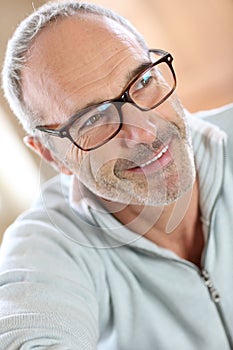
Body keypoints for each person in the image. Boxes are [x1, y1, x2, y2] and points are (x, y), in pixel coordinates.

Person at [0, 1, 233, 349]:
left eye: (142, 81)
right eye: (92, 118)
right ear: (51, 154)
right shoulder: (48, 246)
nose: (143, 131)